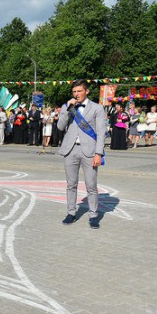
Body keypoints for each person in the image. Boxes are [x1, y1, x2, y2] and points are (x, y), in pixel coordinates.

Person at [57, 79, 107, 229]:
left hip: (90, 151)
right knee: (71, 184)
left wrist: (99, 153)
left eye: (79, 91)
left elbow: (101, 132)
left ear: (87, 91)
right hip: (70, 149)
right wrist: (67, 108)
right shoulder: (67, 107)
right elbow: (60, 126)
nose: (76, 94)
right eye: (74, 92)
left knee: (91, 185)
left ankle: (93, 215)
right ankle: (71, 213)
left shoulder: (97, 108)